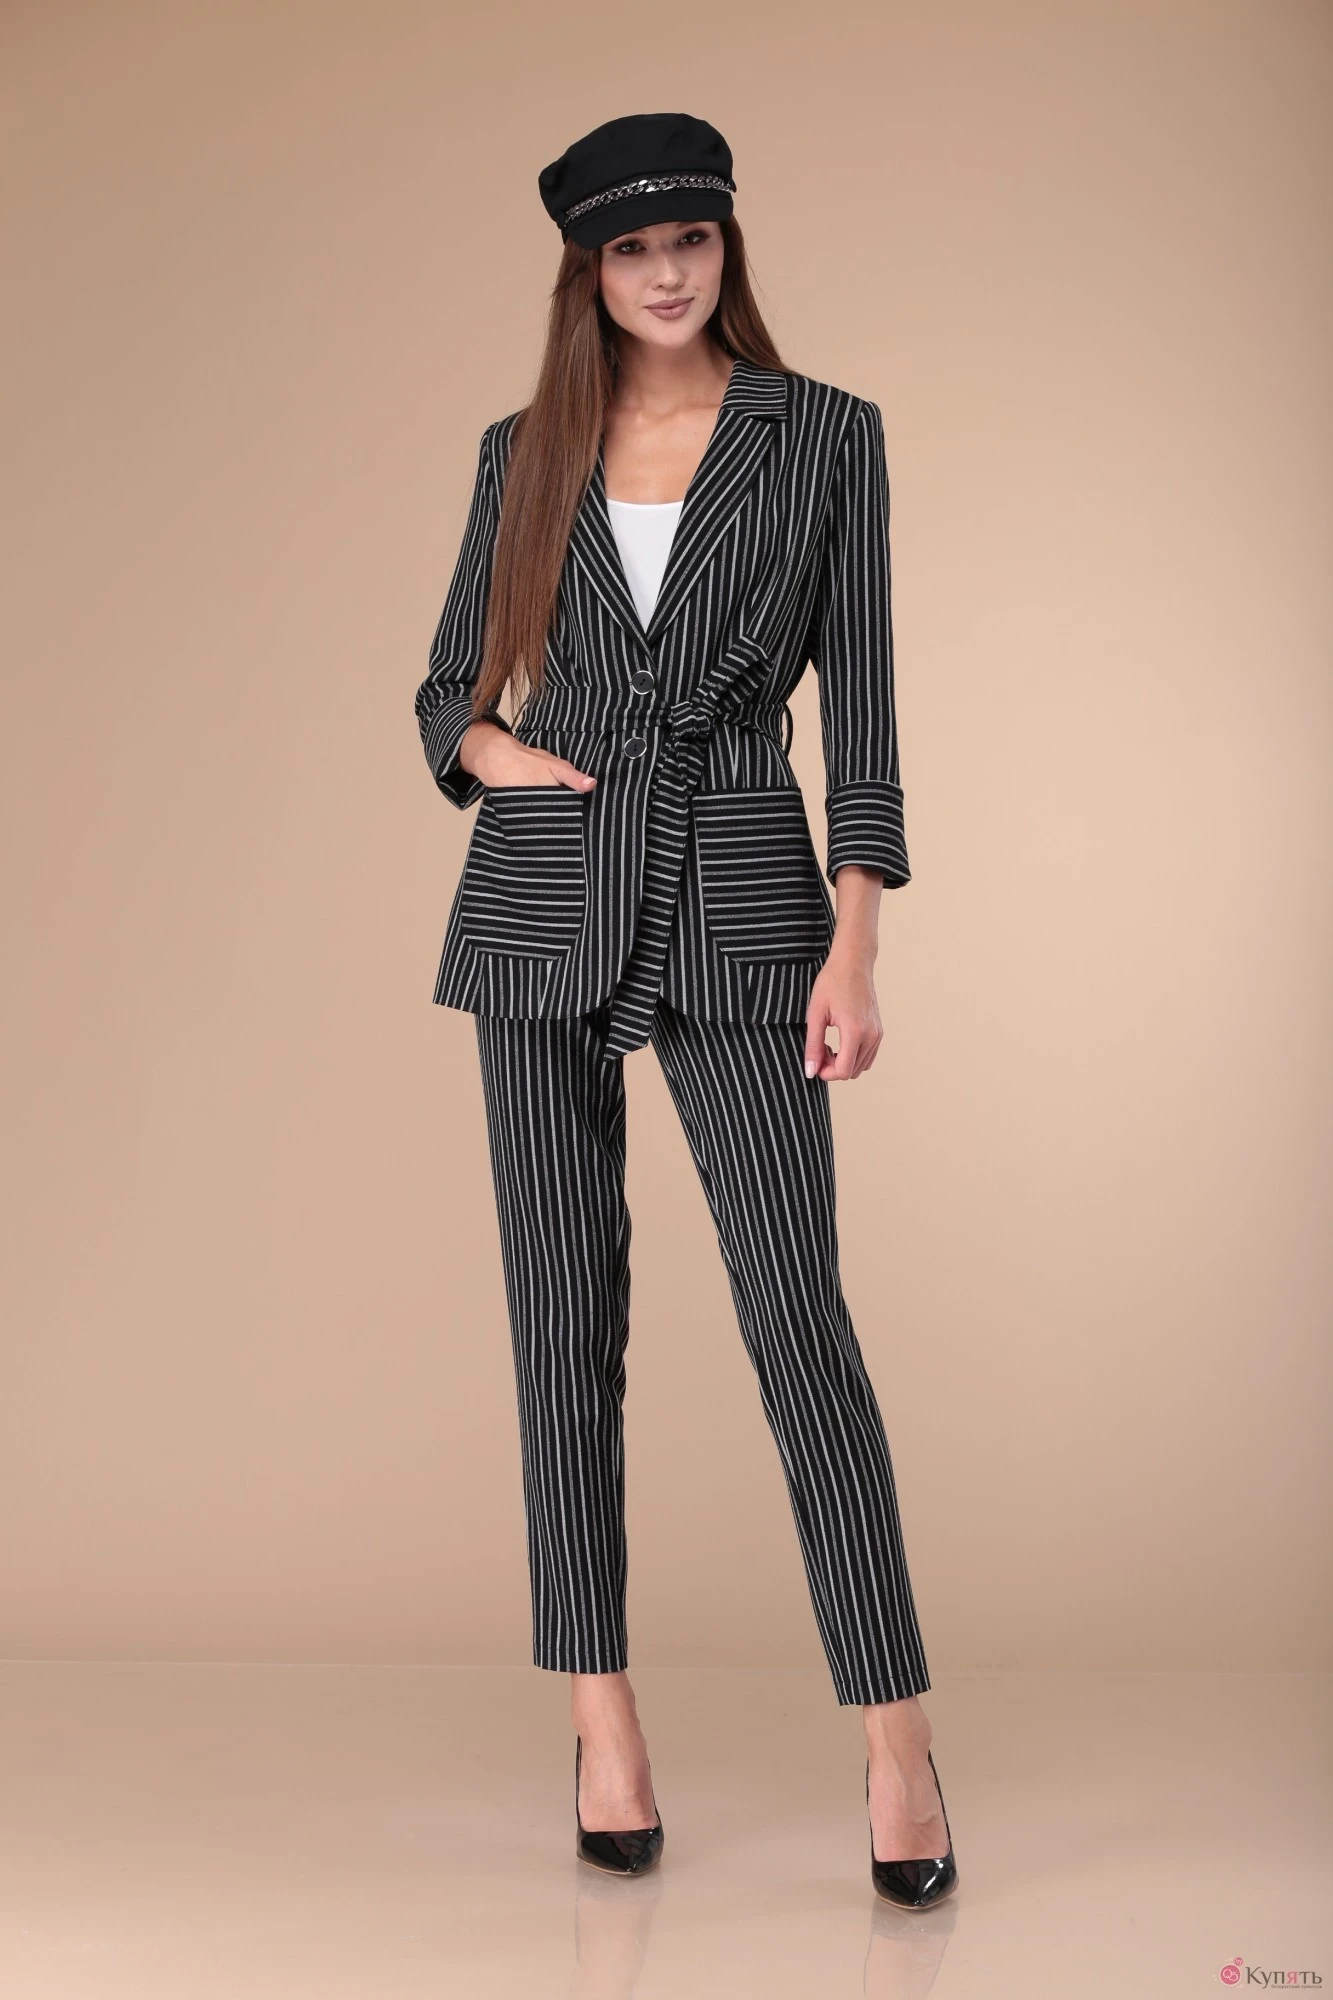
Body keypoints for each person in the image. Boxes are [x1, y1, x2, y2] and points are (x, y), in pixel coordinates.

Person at [413, 110, 958, 1907]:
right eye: (632, 248)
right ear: (588, 271)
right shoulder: (523, 451)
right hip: (543, 903)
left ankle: (897, 1742)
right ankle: (603, 1725)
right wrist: (504, 760)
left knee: (799, 1321)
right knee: (563, 1325)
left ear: (728, 246)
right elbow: (445, 693)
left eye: (693, 239)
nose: (666, 271)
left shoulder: (825, 436)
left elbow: (864, 716)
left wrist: (854, 949)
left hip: (743, 896)